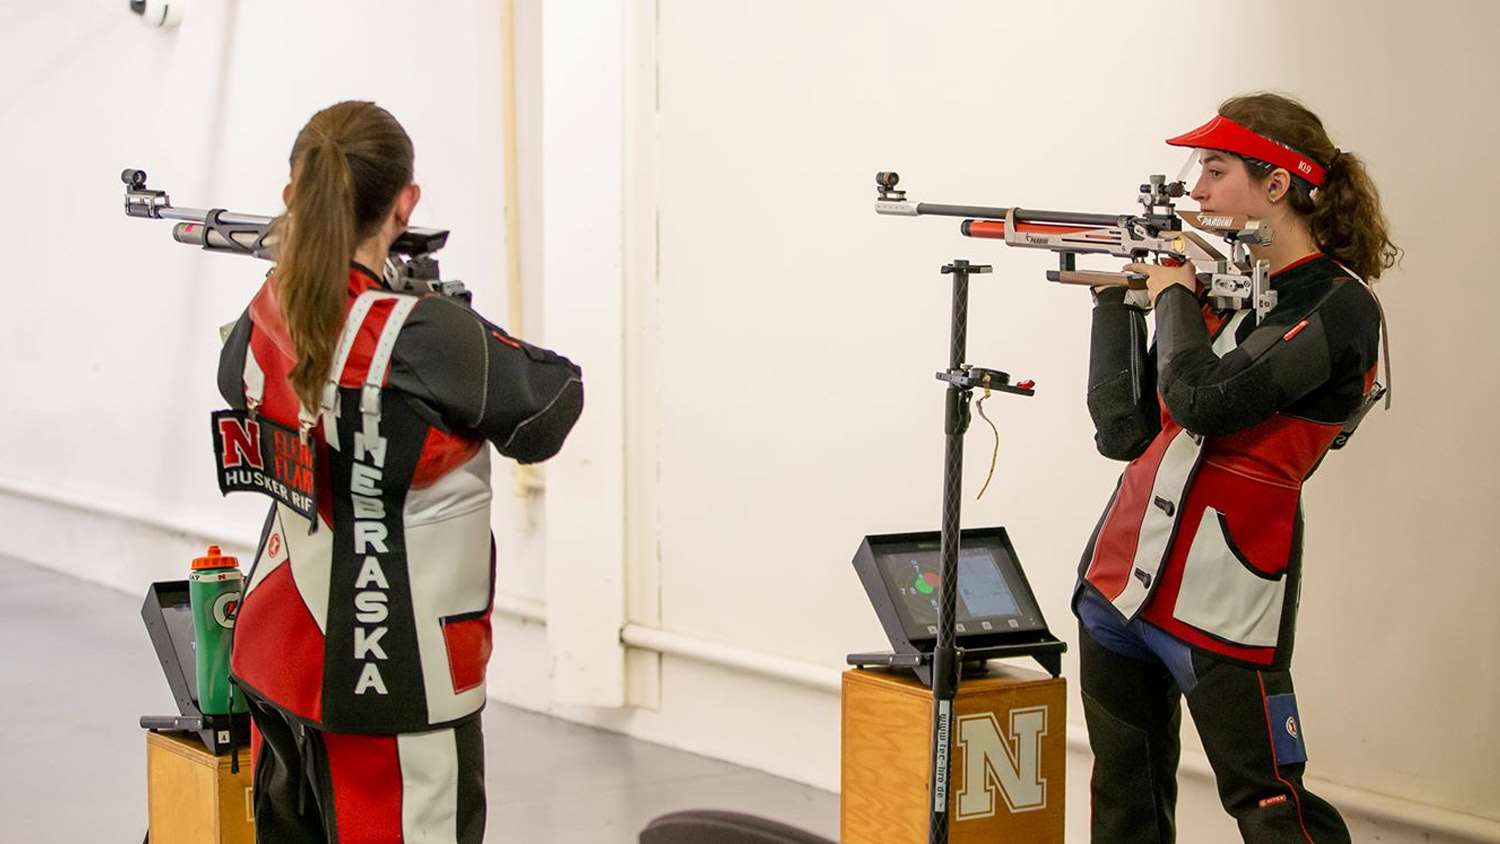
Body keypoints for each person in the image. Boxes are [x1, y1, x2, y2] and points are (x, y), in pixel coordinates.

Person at [214, 100, 583, 843]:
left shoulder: (264, 313)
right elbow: (550, 403)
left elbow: (252, 387)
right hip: (392, 677)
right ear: (406, 201)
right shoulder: (422, 334)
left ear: (294, 197)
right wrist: (429, 315)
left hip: (278, 651)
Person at [1074, 92, 1398, 843]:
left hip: (1226, 594)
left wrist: (1174, 299)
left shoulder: (1338, 306)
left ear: (1277, 184)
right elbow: (1125, 433)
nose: (1195, 191)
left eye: (1215, 170)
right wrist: (1114, 304)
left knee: (1272, 804)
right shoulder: (1224, 290)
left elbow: (1208, 402)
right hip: (1120, 581)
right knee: (1123, 804)